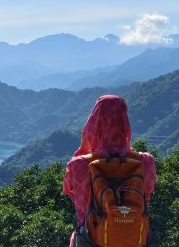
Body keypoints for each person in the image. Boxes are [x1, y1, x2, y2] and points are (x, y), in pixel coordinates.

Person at [63, 95, 157, 247]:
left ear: (94, 124)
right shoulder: (146, 161)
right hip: (135, 240)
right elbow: (146, 199)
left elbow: (80, 208)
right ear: (125, 124)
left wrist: (84, 145)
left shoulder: (79, 165)